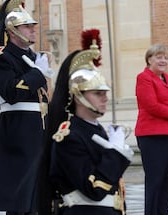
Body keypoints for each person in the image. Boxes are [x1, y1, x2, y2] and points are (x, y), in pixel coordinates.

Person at [0, 0, 52, 214]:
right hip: (17, 131)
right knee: (18, 196)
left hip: (38, 130)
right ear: (12, 31)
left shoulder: (33, 57)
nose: (33, 30)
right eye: (27, 26)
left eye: (33, 26)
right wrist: (38, 73)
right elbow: (11, 92)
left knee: (37, 194)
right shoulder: (1, 58)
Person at [47, 29, 133, 215]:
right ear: (78, 96)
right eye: (97, 94)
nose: (104, 99)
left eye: (105, 94)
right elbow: (94, 188)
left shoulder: (96, 130)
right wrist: (115, 153)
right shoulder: (69, 136)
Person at [135, 44, 168, 215]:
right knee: (155, 181)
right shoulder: (144, 78)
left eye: (166, 57)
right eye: (159, 57)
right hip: (151, 136)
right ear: (149, 59)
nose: (163, 60)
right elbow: (151, 106)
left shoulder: (166, 78)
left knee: (166, 181)